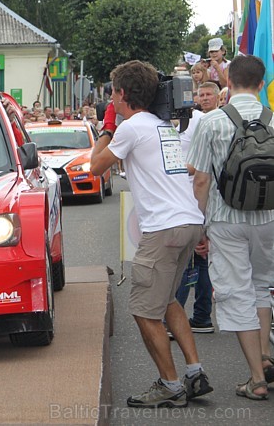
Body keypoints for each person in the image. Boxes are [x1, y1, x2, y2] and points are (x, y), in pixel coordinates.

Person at [90, 60, 211, 408]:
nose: (110, 98)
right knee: (167, 299)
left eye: (112, 92)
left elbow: (95, 167)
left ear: (122, 94)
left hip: (163, 229)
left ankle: (170, 386)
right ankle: (194, 372)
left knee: (144, 311)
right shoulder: (161, 125)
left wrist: (107, 128)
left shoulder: (132, 127)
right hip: (188, 222)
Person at [188, 55, 274, 400]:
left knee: (235, 292)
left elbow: (200, 180)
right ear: (261, 84)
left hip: (226, 219)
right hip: (268, 218)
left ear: (229, 82)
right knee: (262, 286)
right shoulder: (272, 119)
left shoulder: (211, 122)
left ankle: (256, 379)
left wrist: (203, 222)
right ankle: (265, 357)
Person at [171, 82, 219, 336]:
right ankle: (201, 317)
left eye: (208, 94)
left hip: (198, 194)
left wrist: (176, 168)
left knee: (189, 258)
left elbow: (202, 165)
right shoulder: (190, 120)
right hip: (190, 194)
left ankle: (182, 316)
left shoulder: (202, 121)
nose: (203, 98)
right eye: (200, 94)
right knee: (200, 259)